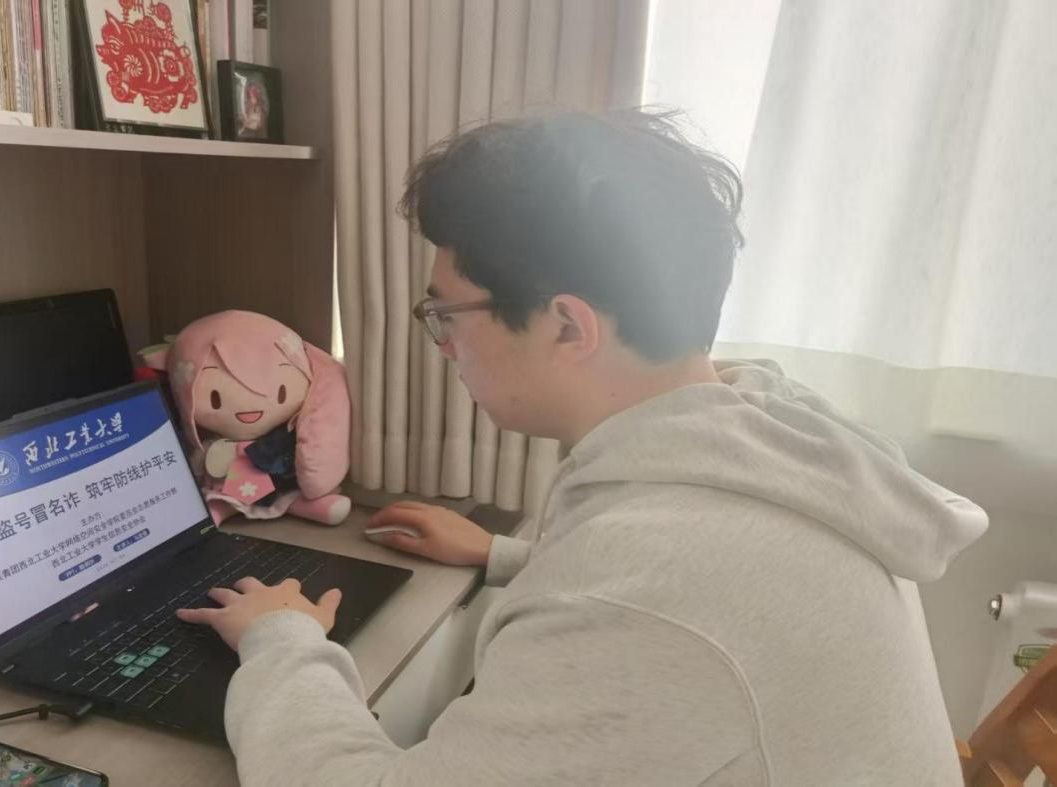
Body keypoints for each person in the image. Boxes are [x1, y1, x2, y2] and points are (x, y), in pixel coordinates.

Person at [176, 109, 987, 785]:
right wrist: (507, 555)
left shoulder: (650, 591)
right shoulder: (765, 431)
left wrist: (283, 639)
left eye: (447, 314)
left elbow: (653, 605)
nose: (443, 344)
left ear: (567, 325)